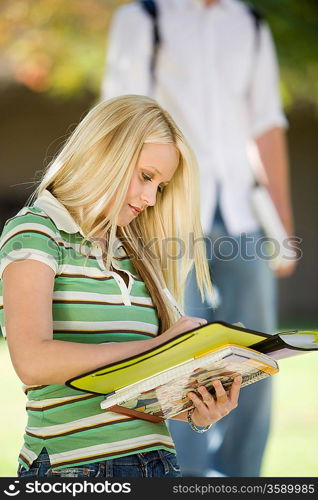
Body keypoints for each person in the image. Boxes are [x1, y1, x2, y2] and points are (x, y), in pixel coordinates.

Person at [100, 0, 297, 477]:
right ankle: (181, 477)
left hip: (241, 216)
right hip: (166, 213)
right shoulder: (144, 16)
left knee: (260, 353)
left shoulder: (249, 23)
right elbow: (119, 124)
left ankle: (242, 477)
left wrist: (284, 230)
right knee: (175, 351)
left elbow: (266, 125)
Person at [0, 95, 242, 478]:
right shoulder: (36, 231)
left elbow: (133, 394)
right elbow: (31, 361)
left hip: (159, 464)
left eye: (160, 187)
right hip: (73, 469)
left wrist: (196, 410)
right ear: (105, 152)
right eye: (146, 176)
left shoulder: (137, 252)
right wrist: (160, 345)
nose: (149, 199)